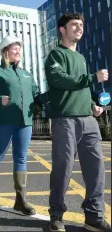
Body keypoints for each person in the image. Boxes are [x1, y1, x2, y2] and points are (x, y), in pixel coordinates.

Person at [44, 12, 110, 232]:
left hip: (88, 120)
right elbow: (59, 80)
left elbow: (82, 88)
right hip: (65, 119)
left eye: (81, 24)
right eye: (74, 25)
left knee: (96, 169)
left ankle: (93, 216)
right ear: (62, 29)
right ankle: (56, 215)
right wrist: (92, 77)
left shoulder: (81, 58)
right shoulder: (56, 55)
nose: (79, 28)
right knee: (63, 168)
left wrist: (92, 104)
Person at [0, 35, 44, 216]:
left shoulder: (26, 74)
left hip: (25, 123)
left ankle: (20, 200)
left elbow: (36, 95)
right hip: (3, 122)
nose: (18, 51)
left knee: (21, 159)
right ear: (6, 51)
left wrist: (49, 99)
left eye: (19, 49)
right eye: (15, 48)